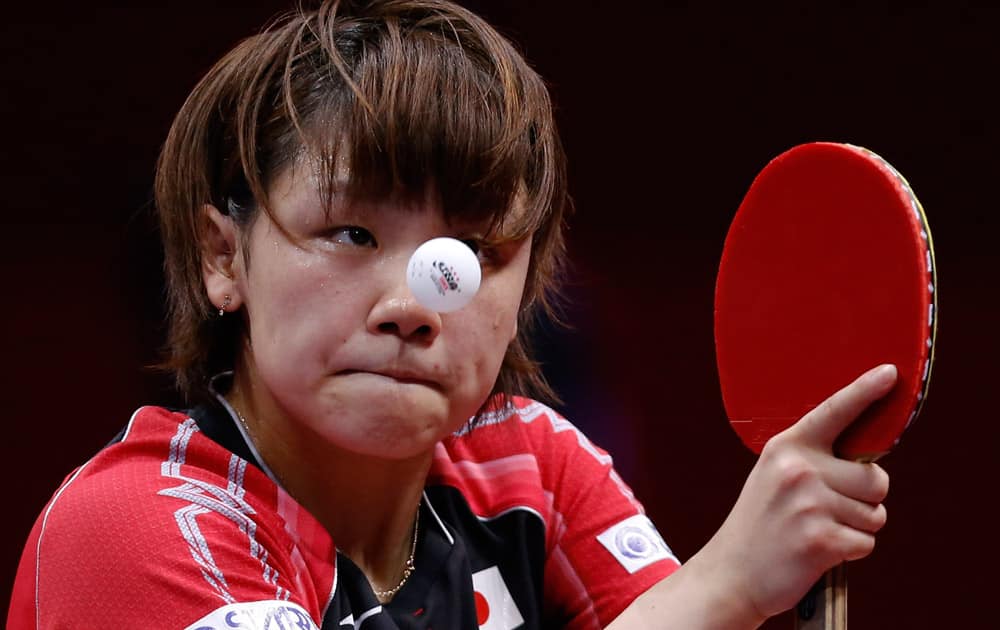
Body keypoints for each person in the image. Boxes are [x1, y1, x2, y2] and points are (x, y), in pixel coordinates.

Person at [7, 1, 893, 628]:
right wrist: (729, 585)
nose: (410, 307)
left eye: (474, 252)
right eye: (350, 232)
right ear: (223, 257)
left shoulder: (528, 472)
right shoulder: (134, 528)